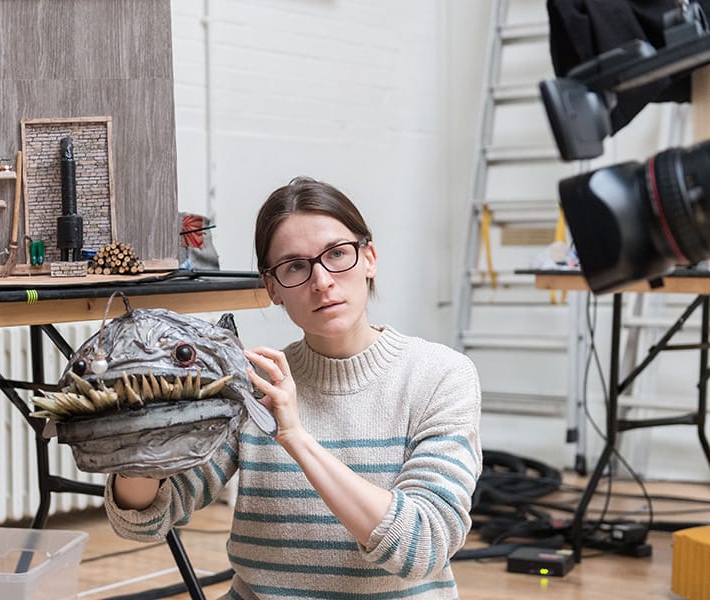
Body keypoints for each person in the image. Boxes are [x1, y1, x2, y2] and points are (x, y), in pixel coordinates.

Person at [105, 176, 483, 599]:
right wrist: (135, 439)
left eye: (337, 254)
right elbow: (145, 520)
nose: (321, 281)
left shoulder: (440, 375)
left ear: (369, 258)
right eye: (295, 266)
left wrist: (295, 437)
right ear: (272, 288)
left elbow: (420, 547)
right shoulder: (252, 382)